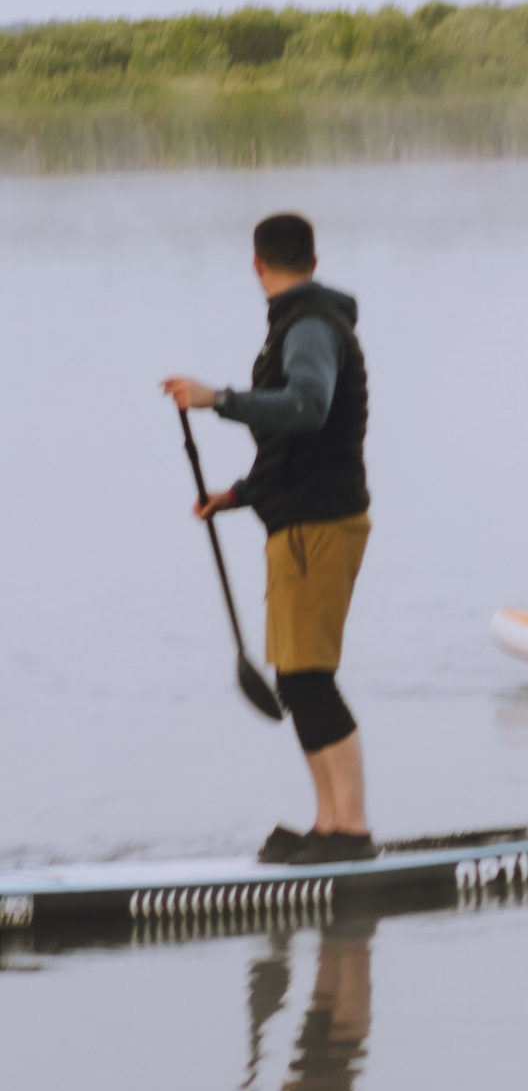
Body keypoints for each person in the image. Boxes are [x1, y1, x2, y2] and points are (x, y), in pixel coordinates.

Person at [165, 210, 375, 864]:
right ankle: (328, 824)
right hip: (299, 519)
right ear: (311, 258)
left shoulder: (310, 327)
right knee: (295, 678)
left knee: (308, 678)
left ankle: (352, 831)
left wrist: (217, 399)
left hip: (320, 523)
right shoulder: (300, 324)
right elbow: (291, 443)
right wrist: (237, 496)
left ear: (256, 265)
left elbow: (309, 410)